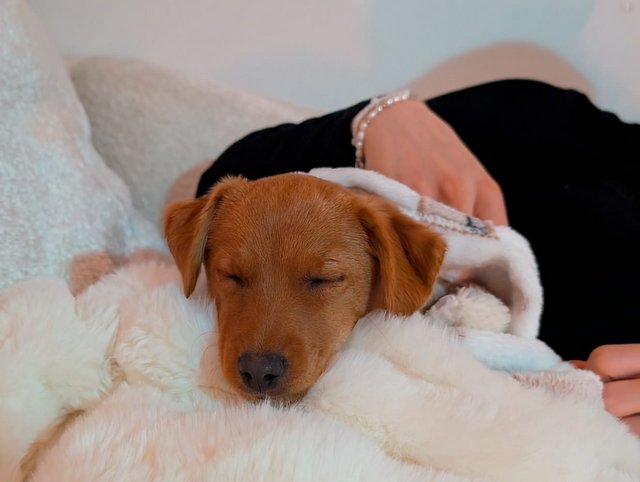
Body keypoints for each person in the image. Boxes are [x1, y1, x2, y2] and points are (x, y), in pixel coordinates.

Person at [196, 79, 640, 434]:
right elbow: (233, 184)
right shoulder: (558, 126)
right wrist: (377, 121)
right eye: (234, 278)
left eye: (320, 280)